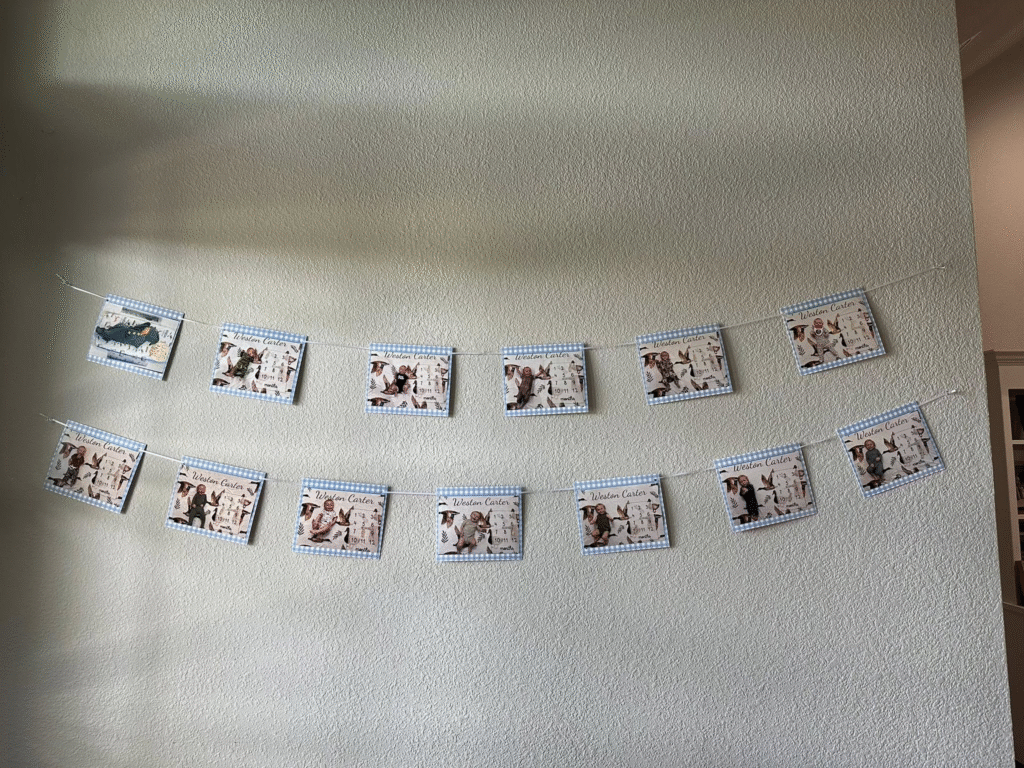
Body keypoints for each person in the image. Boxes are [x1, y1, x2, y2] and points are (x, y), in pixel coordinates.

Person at [96, 320, 160, 348]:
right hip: (124, 330)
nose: (145, 329)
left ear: (148, 335)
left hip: (122, 335)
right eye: (147, 328)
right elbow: (139, 327)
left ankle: (104, 333)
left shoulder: (139, 340)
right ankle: (107, 333)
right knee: (115, 329)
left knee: (111, 333)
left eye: (147, 330)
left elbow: (129, 337)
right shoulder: (141, 332)